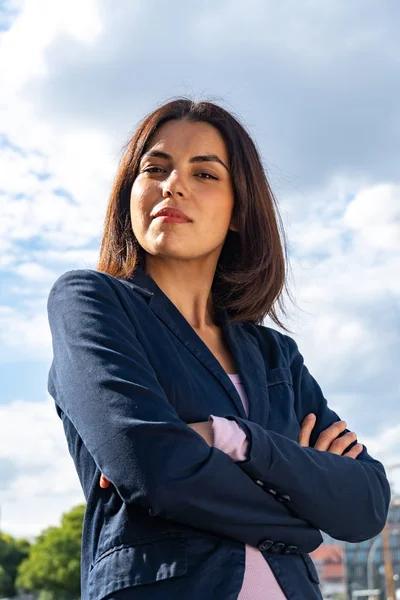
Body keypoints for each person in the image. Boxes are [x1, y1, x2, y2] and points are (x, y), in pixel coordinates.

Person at [46, 98, 390, 600]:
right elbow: (154, 468)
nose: (173, 185)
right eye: (155, 168)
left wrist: (232, 439)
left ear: (238, 211)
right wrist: (299, 518)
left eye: (204, 174)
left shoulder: (276, 356)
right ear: (130, 195)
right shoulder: (91, 303)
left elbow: (365, 504)